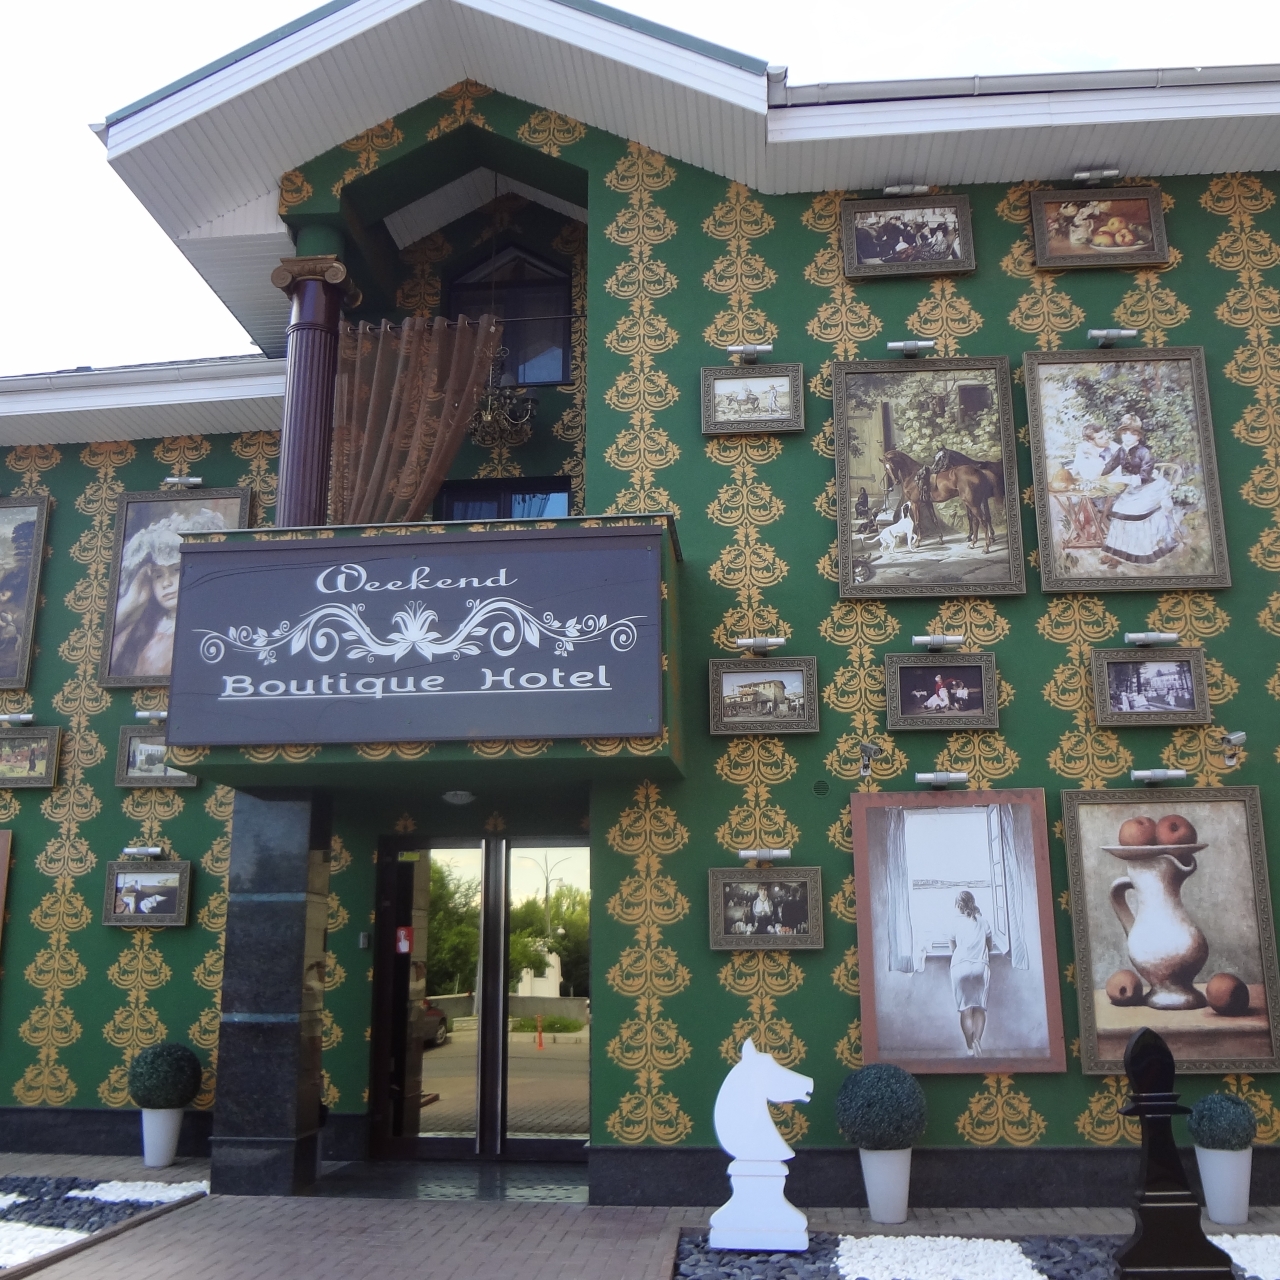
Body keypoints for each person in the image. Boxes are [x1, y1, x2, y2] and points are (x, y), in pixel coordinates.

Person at [110, 506, 230, 678]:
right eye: (158, 576)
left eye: (176, 570)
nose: (166, 583)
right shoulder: (138, 631)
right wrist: (132, 601)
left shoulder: (216, 627)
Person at [1097, 415, 1177, 566]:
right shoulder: (1121, 451)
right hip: (1135, 487)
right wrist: (1098, 476)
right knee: (1118, 509)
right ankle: (1115, 552)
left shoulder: (1145, 452)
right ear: (1120, 434)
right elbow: (1109, 466)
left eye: (1133, 433)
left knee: (1133, 511)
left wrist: (1120, 479)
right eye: (1124, 433)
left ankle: (1137, 553)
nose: (1128, 437)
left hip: (1152, 487)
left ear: (1139, 436)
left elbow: (1144, 478)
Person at [950, 891, 994, 1056]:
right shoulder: (983, 922)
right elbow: (990, 947)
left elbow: (953, 949)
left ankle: (969, 1047)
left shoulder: (954, 923)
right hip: (980, 968)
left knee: (966, 1010)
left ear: (958, 905)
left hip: (960, 968)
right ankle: (977, 1041)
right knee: (979, 1009)